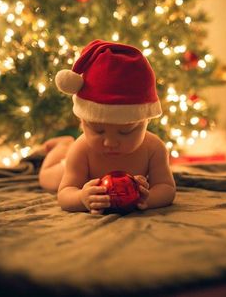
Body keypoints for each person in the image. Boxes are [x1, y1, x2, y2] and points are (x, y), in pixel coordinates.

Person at [39, 40, 176, 214]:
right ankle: (62, 145)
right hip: (74, 170)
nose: (110, 142)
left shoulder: (154, 148)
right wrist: (81, 198)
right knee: (47, 178)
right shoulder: (81, 150)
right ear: (83, 121)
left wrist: (148, 198)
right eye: (98, 130)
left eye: (125, 131)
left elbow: (166, 188)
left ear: (146, 121)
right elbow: (65, 194)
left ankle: (69, 142)